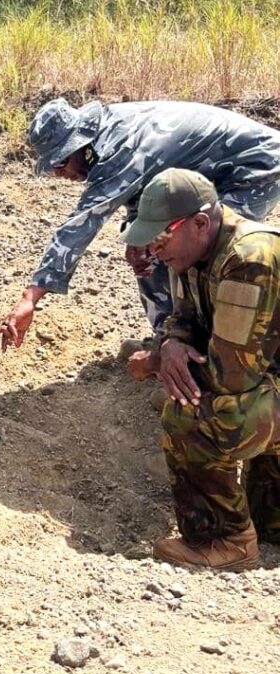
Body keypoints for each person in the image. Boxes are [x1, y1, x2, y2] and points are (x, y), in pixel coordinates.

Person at [0, 98, 280, 354]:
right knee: (149, 248)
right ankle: (169, 341)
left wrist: (29, 299)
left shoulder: (117, 148)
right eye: (51, 168)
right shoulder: (102, 136)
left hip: (252, 171)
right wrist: (138, 235)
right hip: (205, 176)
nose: (59, 174)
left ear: (81, 146)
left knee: (203, 249)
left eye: (61, 162)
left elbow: (79, 226)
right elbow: (151, 183)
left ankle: (214, 357)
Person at [121, 168, 279, 571]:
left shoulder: (249, 259)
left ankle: (226, 541)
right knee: (272, 522)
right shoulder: (193, 251)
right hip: (269, 380)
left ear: (200, 223)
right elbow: (184, 316)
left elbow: (232, 376)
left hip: (257, 379)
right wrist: (172, 343)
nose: (154, 249)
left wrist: (157, 363)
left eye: (161, 236)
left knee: (191, 412)